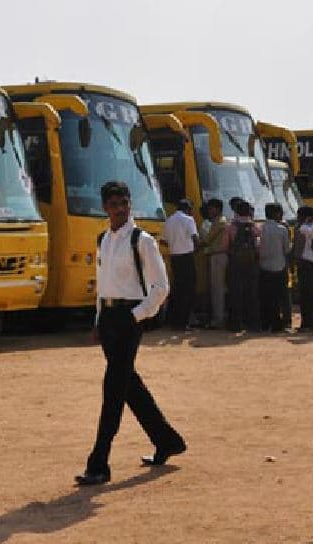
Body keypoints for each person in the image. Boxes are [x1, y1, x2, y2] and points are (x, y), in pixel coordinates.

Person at [76, 180, 186, 486]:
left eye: (124, 203)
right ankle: (167, 440)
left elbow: (161, 287)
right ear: (105, 208)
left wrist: (136, 315)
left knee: (112, 390)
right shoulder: (103, 240)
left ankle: (99, 463)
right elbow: (103, 285)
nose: (120, 209)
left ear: (129, 204)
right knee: (128, 386)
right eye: (113, 204)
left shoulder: (142, 240)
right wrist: (99, 320)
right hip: (109, 317)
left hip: (129, 318)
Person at [163, 199, 199, 331]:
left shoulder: (169, 220)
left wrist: (174, 245)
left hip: (175, 258)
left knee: (177, 290)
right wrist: (195, 249)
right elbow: (195, 238)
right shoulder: (189, 220)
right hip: (187, 257)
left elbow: (163, 241)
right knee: (188, 291)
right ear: (187, 209)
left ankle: (175, 322)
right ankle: (184, 323)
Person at [226, 201, 261, 332]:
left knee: (236, 293)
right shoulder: (256, 227)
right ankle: (253, 324)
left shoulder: (230, 227)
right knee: (252, 293)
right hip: (252, 264)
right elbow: (259, 247)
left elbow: (225, 246)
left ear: (236, 212)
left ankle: (236, 324)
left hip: (235, 264)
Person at [259, 202, 292, 332]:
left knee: (267, 296)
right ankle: (281, 324)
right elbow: (287, 249)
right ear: (277, 214)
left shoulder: (260, 228)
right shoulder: (282, 229)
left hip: (264, 266)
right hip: (280, 266)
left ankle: (266, 322)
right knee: (281, 296)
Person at [295, 206, 313, 335]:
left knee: (305, 295)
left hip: (306, 263)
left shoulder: (304, 228)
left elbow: (298, 247)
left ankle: (306, 323)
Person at [203, 199, 229, 329]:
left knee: (217, 289)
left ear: (217, 209)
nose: (209, 211)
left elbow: (207, 240)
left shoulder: (219, 222)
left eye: (211, 208)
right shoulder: (220, 222)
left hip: (218, 256)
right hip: (219, 256)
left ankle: (218, 319)